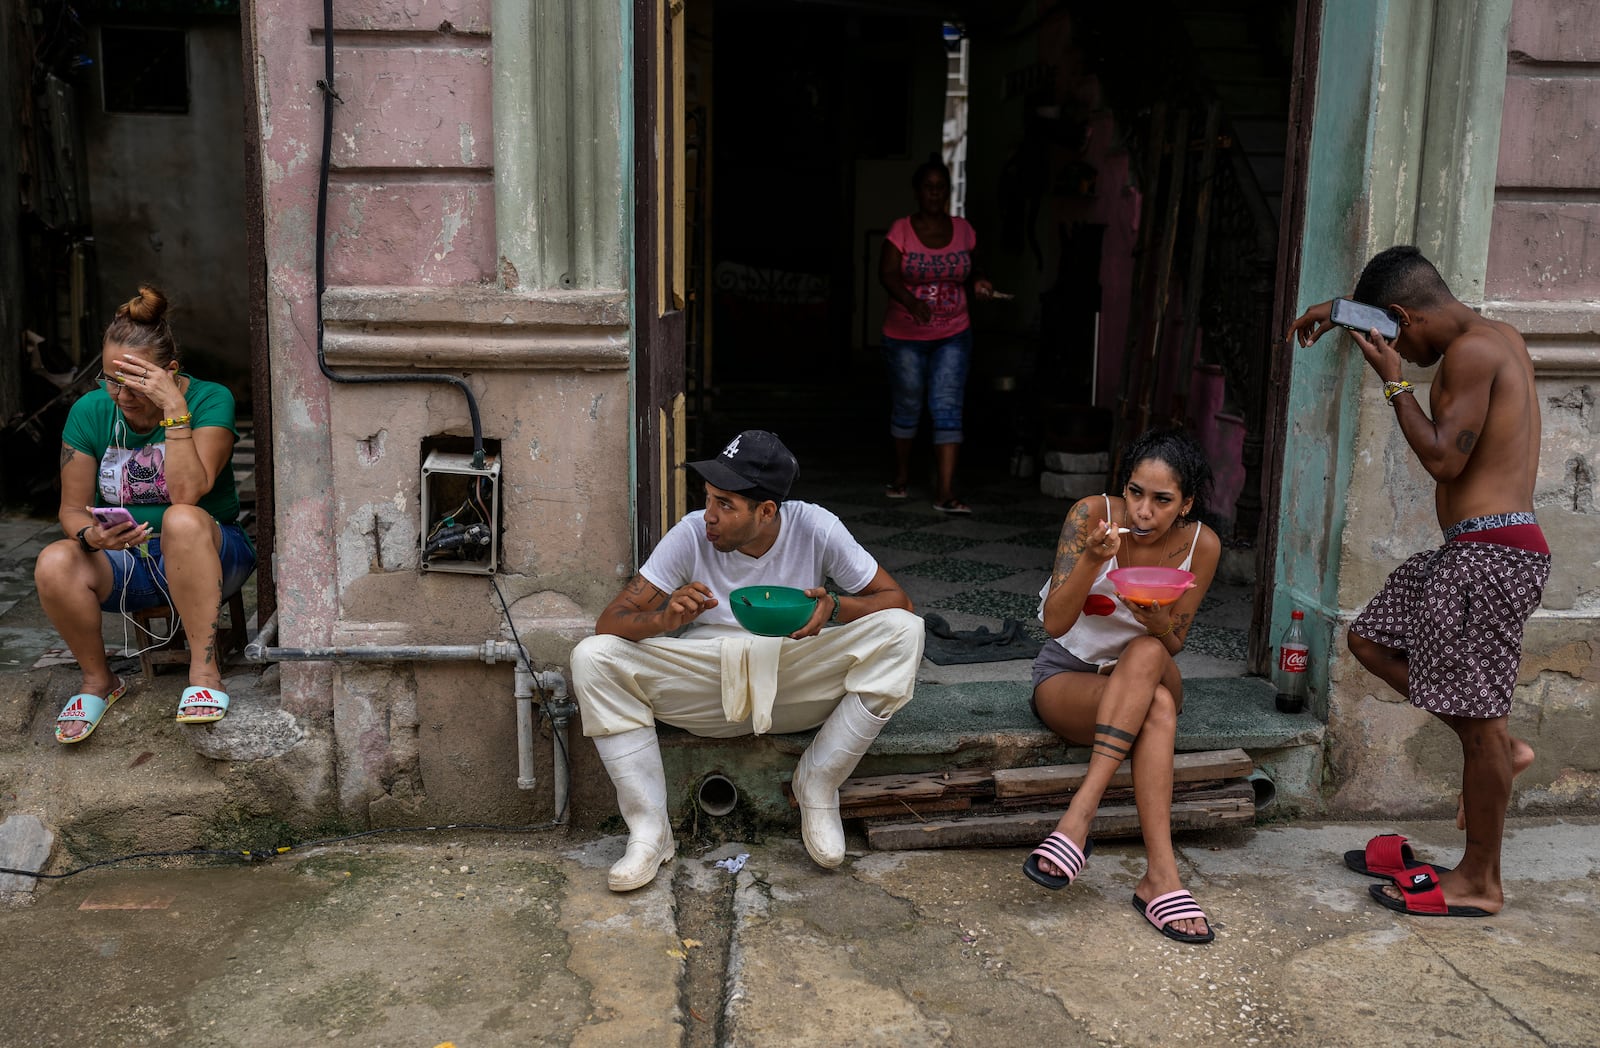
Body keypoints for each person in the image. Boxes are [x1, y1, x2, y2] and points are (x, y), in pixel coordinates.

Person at [1289, 246, 1548, 918]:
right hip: (1472, 548)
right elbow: (1406, 322)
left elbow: (1442, 459)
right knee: (1371, 640)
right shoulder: (1496, 336)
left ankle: (1480, 881)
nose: (1393, 345)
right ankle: (1497, 743)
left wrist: (1395, 382)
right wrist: (1336, 311)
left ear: (1404, 316)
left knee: (1480, 728)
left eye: (1391, 331)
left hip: (1490, 555)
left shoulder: (1471, 356)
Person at [569, 430, 925, 892]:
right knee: (592, 657)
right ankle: (649, 831)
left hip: (794, 681)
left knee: (904, 631)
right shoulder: (690, 534)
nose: (709, 517)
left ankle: (817, 783)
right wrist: (663, 618)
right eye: (709, 499)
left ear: (767, 510)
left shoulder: (816, 527)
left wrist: (834, 608)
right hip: (706, 686)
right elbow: (611, 620)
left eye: (726, 505)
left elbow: (898, 601)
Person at [1023, 429, 1221, 944]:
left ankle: (1078, 818)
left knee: (1149, 651)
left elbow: (1173, 642)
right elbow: (1054, 624)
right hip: (1072, 677)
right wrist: (1092, 560)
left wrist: (1152, 620)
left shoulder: (1203, 545)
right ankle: (1161, 876)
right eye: (1135, 493)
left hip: (1152, 667)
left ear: (1186, 504)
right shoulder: (1091, 516)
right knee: (1155, 707)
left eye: (1162, 500)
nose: (1143, 513)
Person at [35, 286, 255, 742]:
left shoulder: (210, 400)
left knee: (181, 518)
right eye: (112, 380)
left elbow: (188, 493)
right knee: (55, 560)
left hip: (212, 552)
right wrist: (91, 539)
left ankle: (205, 674)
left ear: (168, 373)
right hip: (129, 563)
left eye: (135, 381)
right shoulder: (91, 410)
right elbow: (72, 509)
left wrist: (175, 411)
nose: (121, 394)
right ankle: (100, 680)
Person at [878, 156, 995, 514]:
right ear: (917, 191)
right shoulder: (901, 229)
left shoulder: (963, 230)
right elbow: (887, 274)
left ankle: (945, 492)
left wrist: (980, 282)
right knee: (909, 403)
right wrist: (911, 302)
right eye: (928, 187)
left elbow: (975, 267)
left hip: (953, 332)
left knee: (947, 407)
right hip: (905, 336)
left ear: (947, 192)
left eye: (940, 187)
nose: (934, 193)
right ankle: (901, 476)